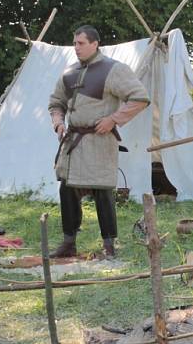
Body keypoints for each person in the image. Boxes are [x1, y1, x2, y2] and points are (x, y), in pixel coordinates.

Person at [48, 25, 150, 258]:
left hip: (99, 141)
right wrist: (58, 122)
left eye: (81, 43)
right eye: (75, 43)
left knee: (103, 192)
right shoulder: (69, 72)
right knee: (67, 190)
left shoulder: (113, 70)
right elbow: (56, 102)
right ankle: (69, 243)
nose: (76, 48)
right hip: (73, 143)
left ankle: (109, 246)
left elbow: (140, 98)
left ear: (95, 44)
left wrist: (113, 120)